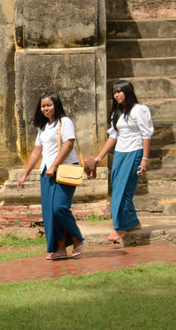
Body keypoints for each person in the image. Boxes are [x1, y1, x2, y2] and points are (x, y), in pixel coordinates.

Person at [17, 92, 87, 260]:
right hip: (47, 173)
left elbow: (69, 144)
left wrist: (55, 165)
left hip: (64, 170)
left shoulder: (65, 122)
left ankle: (77, 239)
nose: (46, 108)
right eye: (43, 106)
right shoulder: (43, 127)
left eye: (49, 105)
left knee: (59, 208)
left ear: (56, 105)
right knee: (49, 212)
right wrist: (25, 174)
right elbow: (36, 152)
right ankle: (61, 248)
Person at [90, 81, 153, 242]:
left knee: (122, 191)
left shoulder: (139, 110)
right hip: (120, 153)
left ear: (128, 92)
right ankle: (132, 223)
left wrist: (144, 159)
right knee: (118, 189)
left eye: (120, 91)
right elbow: (113, 137)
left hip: (135, 152)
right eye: (114, 92)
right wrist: (99, 157)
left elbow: (146, 135)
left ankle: (119, 229)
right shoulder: (117, 112)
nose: (116, 95)